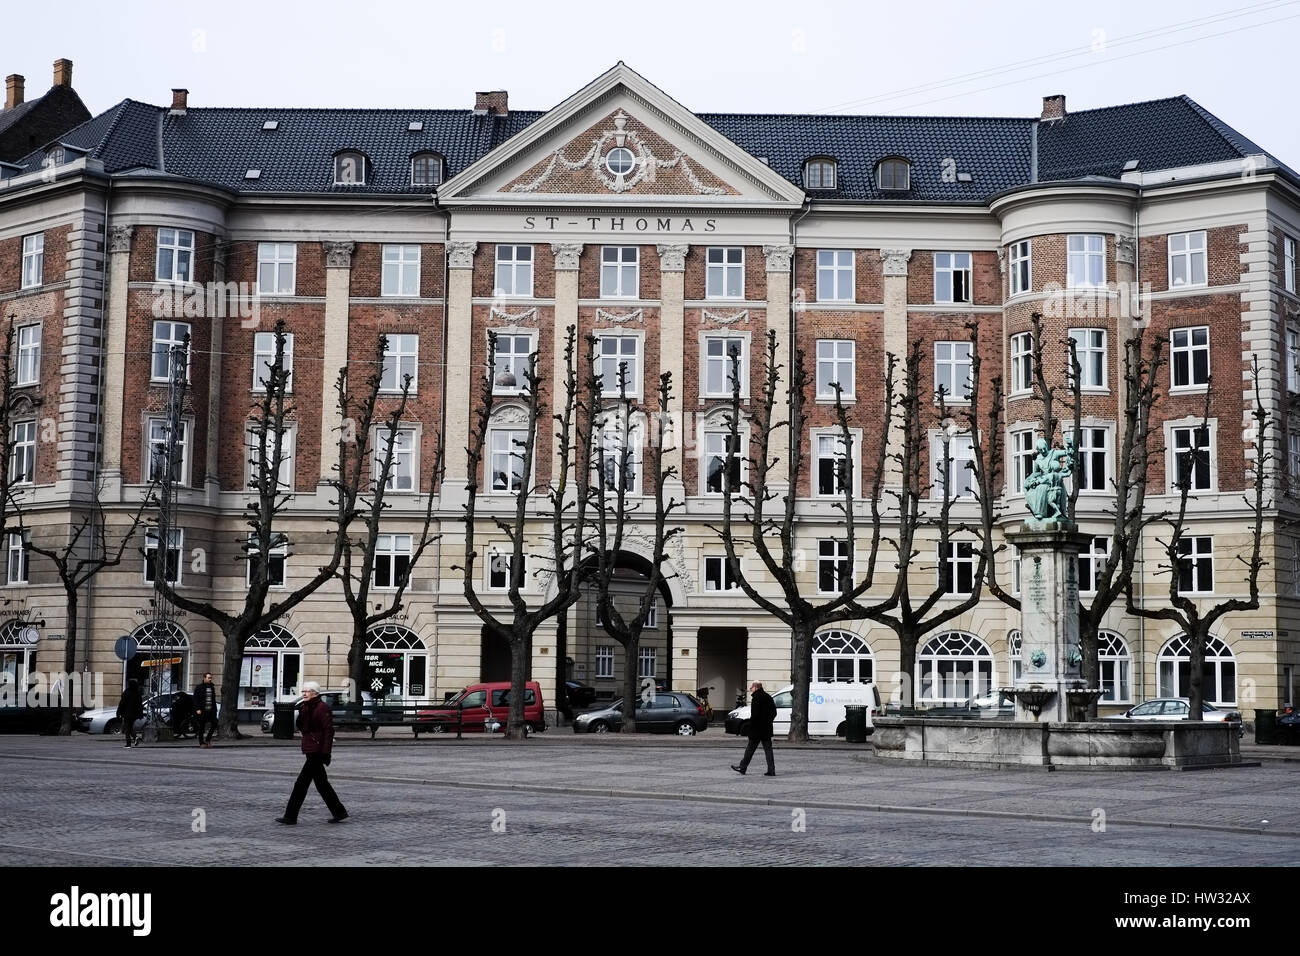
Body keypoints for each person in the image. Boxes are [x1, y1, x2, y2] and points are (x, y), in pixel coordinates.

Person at [277, 681, 348, 825]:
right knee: (322, 784)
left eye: (307, 691)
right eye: (303, 691)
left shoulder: (322, 708)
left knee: (301, 784)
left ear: (315, 693)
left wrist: (326, 753)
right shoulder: (306, 707)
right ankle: (339, 811)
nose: (304, 694)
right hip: (310, 748)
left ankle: (290, 816)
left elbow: (328, 731)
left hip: (317, 750)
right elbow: (302, 727)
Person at [731, 681, 776, 776]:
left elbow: (755, 714)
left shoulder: (756, 697)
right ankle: (771, 770)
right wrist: (768, 721)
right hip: (767, 728)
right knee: (768, 750)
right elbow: (774, 712)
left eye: (752, 687)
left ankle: (742, 767)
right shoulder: (768, 697)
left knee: (750, 749)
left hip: (757, 729)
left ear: (756, 687)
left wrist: (751, 726)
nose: (751, 689)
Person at [116, 679, 144, 748]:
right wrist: (140, 714)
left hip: (126, 713)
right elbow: (140, 705)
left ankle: (128, 743)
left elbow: (121, 704)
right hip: (134, 714)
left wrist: (118, 712)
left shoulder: (126, 692)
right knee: (130, 727)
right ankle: (135, 737)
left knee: (127, 729)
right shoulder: (137, 693)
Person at [194, 673, 218, 748]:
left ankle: (208, 739)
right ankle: (201, 743)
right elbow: (195, 699)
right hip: (202, 710)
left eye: (211, 678)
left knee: (215, 723)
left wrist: (215, 709)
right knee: (202, 727)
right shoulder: (199, 687)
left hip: (211, 710)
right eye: (208, 678)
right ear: (204, 678)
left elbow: (213, 699)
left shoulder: (212, 687)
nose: (210, 679)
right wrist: (197, 709)